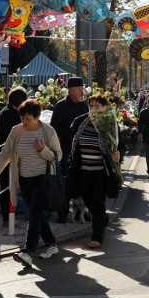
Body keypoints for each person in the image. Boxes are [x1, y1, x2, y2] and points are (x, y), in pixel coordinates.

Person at [0, 99, 62, 268]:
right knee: (37, 215)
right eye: (22, 118)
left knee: (34, 213)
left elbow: (58, 156)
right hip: (24, 179)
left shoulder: (48, 131)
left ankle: (28, 251)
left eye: (27, 118)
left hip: (42, 178)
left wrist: (42, 150)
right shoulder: (16, 131)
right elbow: (5, 154)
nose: (24, 122)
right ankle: (52, 244)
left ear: (37, 117)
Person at [66, 94, 121, 249]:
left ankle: (96, 236)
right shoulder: (80, 122)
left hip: (101, 172)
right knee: (88, 200)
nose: (94, 109)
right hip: (83, 170)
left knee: (97, 202)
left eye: (97, 106)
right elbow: (73, 143)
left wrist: (118, 153)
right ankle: (103, 220)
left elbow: (120, 144)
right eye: (91, 106)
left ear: (104, 107)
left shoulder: (109, 123)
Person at [50, 76, 88, 222]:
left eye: (82, 90)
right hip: (65, 149)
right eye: (79, 90)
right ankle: (63, 212)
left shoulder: (84, 106)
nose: (81, 92)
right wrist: (70, 137)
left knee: (81, 181)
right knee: (64, 181)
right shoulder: (61, 106)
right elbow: (55, 125)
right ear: (71, 91)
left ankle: (81, 212)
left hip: (81, 149)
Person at [0, 86, 28, 225]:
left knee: (7, 186)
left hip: (4, 152)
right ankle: (8, 219)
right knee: (8, 186)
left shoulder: (5, 112)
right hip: (9, 154)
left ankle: (8, 218)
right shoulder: (12, 115)